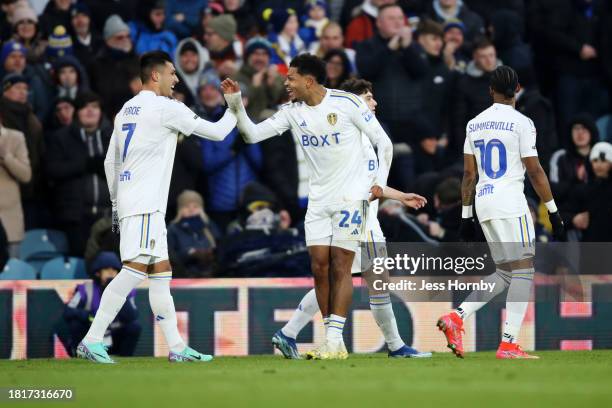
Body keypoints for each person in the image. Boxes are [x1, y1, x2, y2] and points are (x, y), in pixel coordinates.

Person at [221, 54, 393, 360]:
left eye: (291, 78)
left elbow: (385, 143)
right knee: (319, 269)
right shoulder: (291, 112)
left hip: (350, 199)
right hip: (318, 203)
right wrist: (235, 105)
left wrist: (380, 183)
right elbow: (251, 134)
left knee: (342, 266)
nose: (286, 83)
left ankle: (333, 340)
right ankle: (332, 342)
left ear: (309, 81)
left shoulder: (347, 103)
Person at [77, 51, 237, 364]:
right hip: (146, 204)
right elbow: (218, 133)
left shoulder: (125, 109)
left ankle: (176, 347)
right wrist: (235, 106)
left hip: (134, 202)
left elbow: (112, 160)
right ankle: (92, 339)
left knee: (161, 273)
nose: (176, 79)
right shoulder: (166, 108)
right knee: (133, 273)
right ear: (155, 76)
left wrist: (116, 201)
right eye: (172, 73)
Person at [271, 77, 431, 359]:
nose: (374, 102)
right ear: (356, 104)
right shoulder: (354, 139)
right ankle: (396, 347)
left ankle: (288, 333)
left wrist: (400, 195)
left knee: (338, 280)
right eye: (368, 97)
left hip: (360, 217)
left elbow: (371, 185)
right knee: (375, 282)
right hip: (360, 221)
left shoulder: (363, 138)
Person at [437, 66, 566, 359]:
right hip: (510, 201)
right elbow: (534, 170)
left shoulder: (474, 124)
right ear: (517, 89)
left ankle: (456, 317)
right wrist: (554, 212)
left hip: (484, 201)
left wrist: (466, 217)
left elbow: (469, 175)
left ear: (490, 91)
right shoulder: (523, 123)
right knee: (524, 271)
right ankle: (508, 344)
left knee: (506, 273)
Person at [46, 92, 112, 256]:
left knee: (110, 264)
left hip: (110, 215)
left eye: (94, 107)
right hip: (76, 216)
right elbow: (52, 170)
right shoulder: (61, 138)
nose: (90, 111)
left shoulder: (114, 137)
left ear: (101, 112)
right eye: (84, 107)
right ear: (77, 112)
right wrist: (85, 164)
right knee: (79, 264)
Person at [62, 252, 141, 357]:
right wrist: (87, 316)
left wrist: (117, 292)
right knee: (75, 325)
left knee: (134, 327)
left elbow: (132, 316)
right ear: (98, 273)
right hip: (91, 334)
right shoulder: (85, 289)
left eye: (114, 270)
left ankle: (125, 358)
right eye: (107, 270)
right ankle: (81, 355)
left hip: (114, 335)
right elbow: (68, 311)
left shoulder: (127, 290)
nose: (111, 273)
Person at [167, 190, 219, 278]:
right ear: (180, 209)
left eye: (195, 206)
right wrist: (190, 254)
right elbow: (171, 255)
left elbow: (219, 247)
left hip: (209, 274)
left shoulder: (209, 225)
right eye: (187, 206)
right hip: (183, 276)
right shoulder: (173, 229)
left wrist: (210, 255)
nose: (191, 209)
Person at [0, 114, 31, 257]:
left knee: (11, 273)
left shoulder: (15, 137)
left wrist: (6, 157)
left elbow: (26, 175)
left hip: (9, 220)